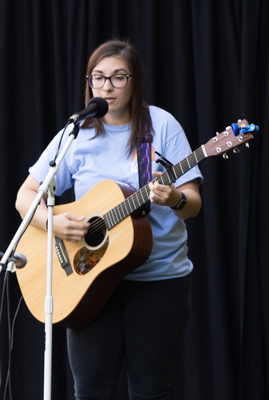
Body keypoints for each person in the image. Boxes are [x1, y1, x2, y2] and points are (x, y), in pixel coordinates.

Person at [15, 39, 202, 400]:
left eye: (118, 77)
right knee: (91, 392)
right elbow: (26, 196)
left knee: (150, 391)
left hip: (158, 282)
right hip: (88, 281)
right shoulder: (76, 134)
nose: (107, 87)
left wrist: (175, 198)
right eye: (98, 78)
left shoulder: (161, 126)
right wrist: (53, 222)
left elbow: (193, 203)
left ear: (135, 81)